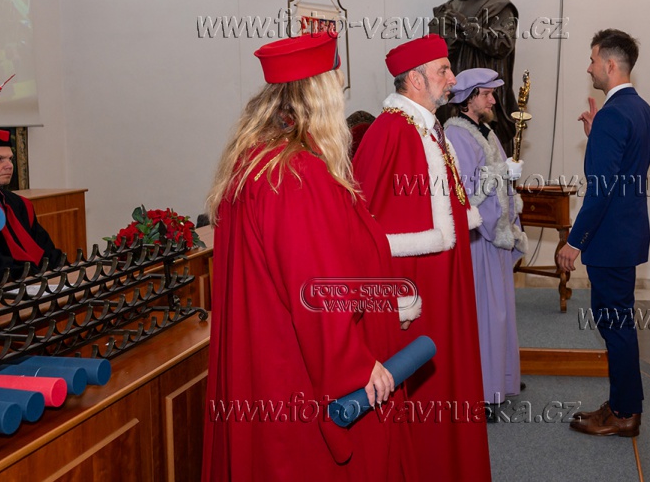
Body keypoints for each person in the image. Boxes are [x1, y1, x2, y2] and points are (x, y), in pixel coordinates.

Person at [202, 33, 417, 481]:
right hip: (297, 374)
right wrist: (354, 368)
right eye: (337, 84)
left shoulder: (255, 161)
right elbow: (316, 291)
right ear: (320, 94)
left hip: (266, 362)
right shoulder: (297, 174)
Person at [352, 34, 491, 481]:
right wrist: (393, 298)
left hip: (444, 286)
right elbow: (364, 230)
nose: (452, 78)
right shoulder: (390, 131)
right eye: (443, 70)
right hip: (416, 295)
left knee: (448, 382)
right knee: (422, 401)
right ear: (415, 79)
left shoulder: (429, 128)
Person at [556, 29, 650, 438]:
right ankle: (623, 404)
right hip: (626, 235)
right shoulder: (641, 109)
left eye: (593, 60)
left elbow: (601, 188)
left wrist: (574, 241)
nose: (589, 68)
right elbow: (622, 166)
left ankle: (624, 412)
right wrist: (596, 137)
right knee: (619, 325)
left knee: (616, 328)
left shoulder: (614, 115)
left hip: (610, 241)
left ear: (610, 64)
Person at [443, 68, 527, 418]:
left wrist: (508, 173)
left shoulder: (485, 130)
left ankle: (502, 376)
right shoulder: (455, 133)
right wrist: (501, 174)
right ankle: (482, 390)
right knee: (485, 314)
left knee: (500, 310)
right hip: (479, 236)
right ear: (468, 98)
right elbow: (465, 190)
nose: (493, 100)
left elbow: (493, 175)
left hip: (495, 234)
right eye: (487, 94)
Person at [429, 0, 519, 155]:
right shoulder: (451, 6)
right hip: (453, 98)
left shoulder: (499, 5)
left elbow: (502, 44)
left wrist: (465, 26)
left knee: (490, 160)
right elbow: (439, 51)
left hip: (484, 100)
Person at [0, 128, 64, 284]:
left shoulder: (19, 204)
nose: (9, 165)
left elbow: (46, 249)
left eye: (10, 159)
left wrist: (65, 269)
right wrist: (32, 277)